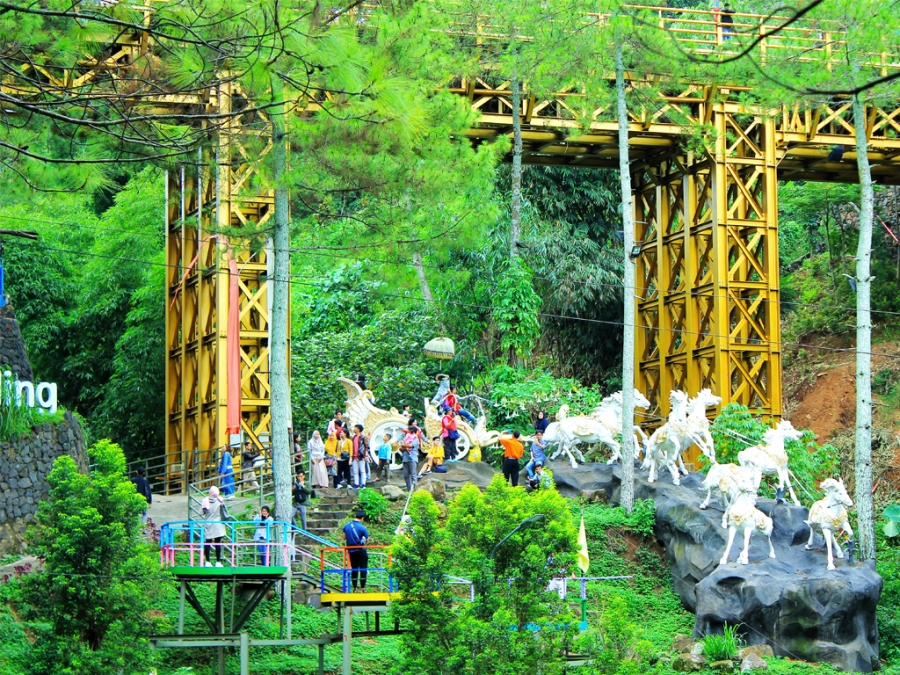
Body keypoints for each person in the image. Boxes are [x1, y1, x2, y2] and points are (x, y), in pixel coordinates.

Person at [201, 486, 230, 567]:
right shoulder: (220, 500)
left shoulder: (205, 500)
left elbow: (202, 512)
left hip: (208, 523)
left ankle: (207, 562)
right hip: (218, 524)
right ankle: (218, 562)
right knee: (218, 543)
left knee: (207, 542)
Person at [343, 510, 370, 592]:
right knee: (363, 569)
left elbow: (344, 537)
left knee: (354, 568)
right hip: (361, 550)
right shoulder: (362, 527)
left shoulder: (347, 526)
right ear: (362, 518)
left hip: (351, 551)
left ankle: (354, 588)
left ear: (355, 515)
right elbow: (367, 539)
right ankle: (362, 588)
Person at [351, 424, 368, 489]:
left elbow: (366, 447)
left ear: (358, 429)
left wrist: (366, 455)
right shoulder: (353, 437)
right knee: (355, 471)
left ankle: (363, 484)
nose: (354, 429)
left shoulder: (363, 437)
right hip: (354, 457)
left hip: (361, 456)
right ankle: (356, 484)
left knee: (362, 470)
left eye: (355, 427)